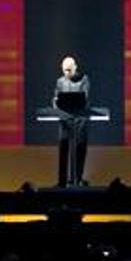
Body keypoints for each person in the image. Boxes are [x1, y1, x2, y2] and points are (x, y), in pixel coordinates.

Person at [54, 56, 90, 187]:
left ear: (75, 67)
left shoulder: (84, 80)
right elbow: (56, 99)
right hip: (65, 120)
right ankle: (62, 181)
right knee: (63, 147)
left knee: (80, 148)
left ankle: (78, 179)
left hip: (80, 121)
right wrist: (56, 105)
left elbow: (84, 99)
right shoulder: (60, 81)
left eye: (69, 70)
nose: (67, 73)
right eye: (64, 70)